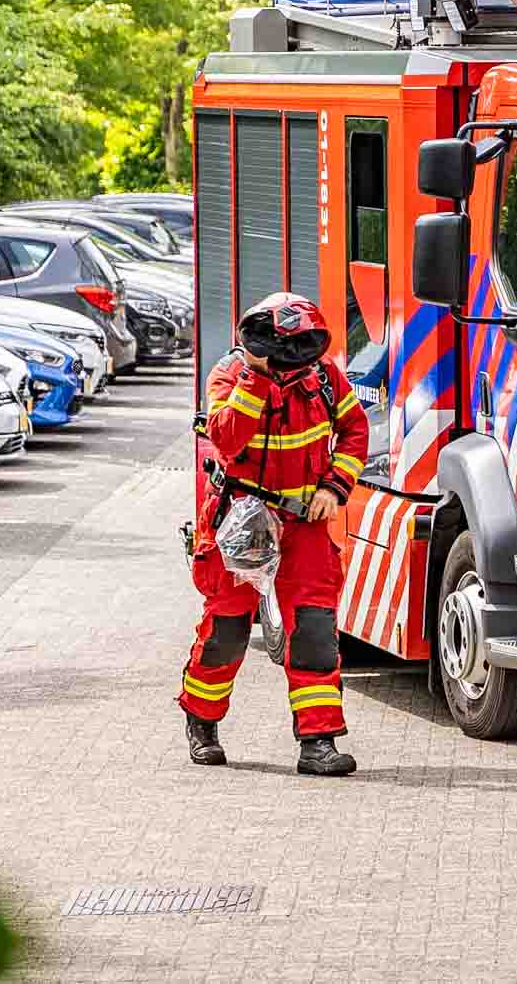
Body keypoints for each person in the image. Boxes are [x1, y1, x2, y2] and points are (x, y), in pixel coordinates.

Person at [178, 292, 370, 776]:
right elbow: (226, 438)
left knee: (314, 631)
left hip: (304, 522)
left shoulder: (323, 376)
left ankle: (318, 742)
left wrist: (335, 486)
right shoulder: (230, 375)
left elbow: (354, 429)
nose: (296, 365)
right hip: (242, 520)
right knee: (227, 629)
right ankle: (201, 721)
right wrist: (257, 378)